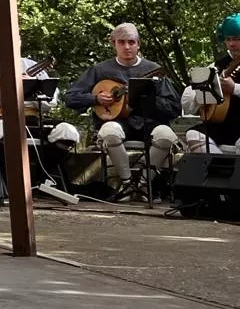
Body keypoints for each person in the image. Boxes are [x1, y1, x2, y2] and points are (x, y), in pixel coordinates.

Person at [64, 23, 180, 193]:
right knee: (109, 131)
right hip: (117, 122)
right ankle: (127, 184)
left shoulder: (153, 70)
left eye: (132, 42)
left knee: (167, 135)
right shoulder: (100, 70)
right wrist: (95, 98)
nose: (127, 47)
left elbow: (174, 107)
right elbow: (70, 97)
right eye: (122, 42)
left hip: (150, 123)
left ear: (138, 44)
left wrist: (147, 101)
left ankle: (142, 184)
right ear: (114, 44)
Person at [184, 14, 240, 155]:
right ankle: (220, 170)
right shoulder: (218, 65)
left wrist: (235, 88)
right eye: (228, 39)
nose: (232, 44)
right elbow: (189, 96)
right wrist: (200, 97)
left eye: (237, 39)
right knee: (193, 135)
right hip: (222, 127)